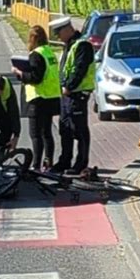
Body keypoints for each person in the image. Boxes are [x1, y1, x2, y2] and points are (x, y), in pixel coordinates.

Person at [11, 25, 61, 171]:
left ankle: (36, 165)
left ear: (32, 39)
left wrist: (19, 73)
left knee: (35, 134)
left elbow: (35, 78)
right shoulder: (49, 53)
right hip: (51, 97)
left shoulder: (36, 55)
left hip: (37, 98)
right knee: (47, 133)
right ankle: (49, 161)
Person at [50, 17, 95, 175]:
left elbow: (79, 69)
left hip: (77, 94)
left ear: (67, 29)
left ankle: (81, 164)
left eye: (58, 33)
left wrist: (68, 86)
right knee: (65, 129)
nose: (58, 37)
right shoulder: (69, 45)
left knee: (80, 130)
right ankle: (64, 161)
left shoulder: (82, 45)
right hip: (67, 95)